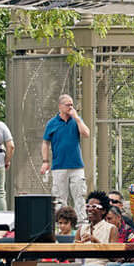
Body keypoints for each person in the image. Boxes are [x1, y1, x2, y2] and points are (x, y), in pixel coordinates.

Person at [41, 93, 89, 222]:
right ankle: (61, 224)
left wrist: (77, 118)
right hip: (59, 166)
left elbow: (86, 134)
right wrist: (45, 161)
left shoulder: (76, 120)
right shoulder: (52, 123)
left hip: (76, 166)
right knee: (60, 198)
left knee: (79, 195)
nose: (70, 107)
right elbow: (45, 142)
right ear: (60, 106)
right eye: (68, 105)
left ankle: (81, 224)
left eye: (72, 105)